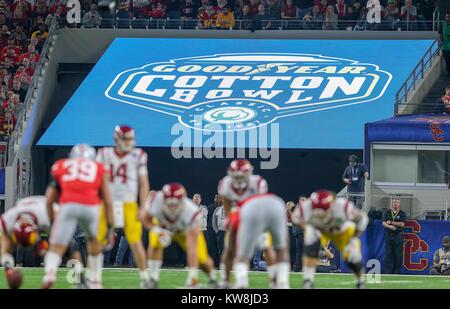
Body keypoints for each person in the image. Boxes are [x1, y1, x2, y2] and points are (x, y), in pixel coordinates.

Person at [42, 144, 115, 289]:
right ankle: (94, 280)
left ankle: (50, 274)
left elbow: (49, 198)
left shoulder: (62, 165)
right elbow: (108, 200)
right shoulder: (99, 168)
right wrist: (109, 227)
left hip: (67, 204)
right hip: (91, 205)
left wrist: (52, 221)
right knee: (94, 242)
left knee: (57, 247)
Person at [96, 125, 151, 288]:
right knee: (96, 239)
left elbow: (143, 183)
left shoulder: (138, 155)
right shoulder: (104, 154)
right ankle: (93, 276)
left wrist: (144, 206)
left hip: (128, 203)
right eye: (125, 139)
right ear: (117, 139)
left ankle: (145, 276)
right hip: (108, 201)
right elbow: (101, 181)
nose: (127, 142)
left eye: (129, 139)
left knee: (135, 241)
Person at [140, 183, 218, 288]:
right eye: (169, 203)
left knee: (202, 259)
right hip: (164, 227)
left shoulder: (192, 211)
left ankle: (212, 279)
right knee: (154, 241)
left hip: (184, 231)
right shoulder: (156, 201)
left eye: (175, 204)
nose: (172, 207)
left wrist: (192, 277)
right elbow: (143, 217)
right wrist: (156, 230)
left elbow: (192, 249)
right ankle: (153, 279)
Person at [0, 196, 86, 288]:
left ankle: (80, 280)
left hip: (51, 214)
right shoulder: (7, 219)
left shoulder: (50, 215)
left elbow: (58, 245)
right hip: (32, 212)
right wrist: (8, 269)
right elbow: (4, 248)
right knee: (6, 244)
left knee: (70, 247)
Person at [292, 190, 369, 289]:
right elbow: (295, 218)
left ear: (332, 205)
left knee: (353, 257)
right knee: (310, 242)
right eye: (317, 211)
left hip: (340, 230)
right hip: (319, 229)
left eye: (323, 210)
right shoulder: (305, 207)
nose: (320, 214)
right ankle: (308, 280)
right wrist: (307, 227)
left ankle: (360, 281)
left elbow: (363, 219)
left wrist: (354, 236)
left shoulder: (343, 206)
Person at [217, 159, 276, 288]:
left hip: (257, 215)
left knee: (266, 247)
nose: (239, 179)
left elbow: (262, 205)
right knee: (230, 248)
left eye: (241, 175)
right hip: (238, 215)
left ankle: (275, 281)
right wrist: (229, 219)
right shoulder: (225, 183)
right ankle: (225, 280)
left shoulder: (257, 183)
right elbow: (226, 204)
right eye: (236, 175)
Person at [233, 193, 290, 289]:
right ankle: (280, 280)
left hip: (257, 218)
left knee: (248, 255)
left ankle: (241, 280)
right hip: (265, 215)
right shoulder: (272, 207)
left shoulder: (247, 207)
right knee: (273, 250)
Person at [382, 196, 406, 274]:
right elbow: (384, 223)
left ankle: (397, 272)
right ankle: (388, 272)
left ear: (399, 204)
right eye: (393, 202)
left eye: (396, 202)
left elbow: (402, 224)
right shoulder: (387, 212)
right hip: (389, 236)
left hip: (398, 236)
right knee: (388, 255)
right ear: (391, 203)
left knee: (398, 255)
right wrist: (390, 227)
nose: (395, 204)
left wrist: (392, 222)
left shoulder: (402, 213)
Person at [439, 12, 450, 76]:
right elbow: (440, 34)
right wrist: (440, 42)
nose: (448, 17)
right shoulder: (442, 24)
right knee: (447, 61)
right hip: (445, 46)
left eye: (449, 16)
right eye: (447, 16)